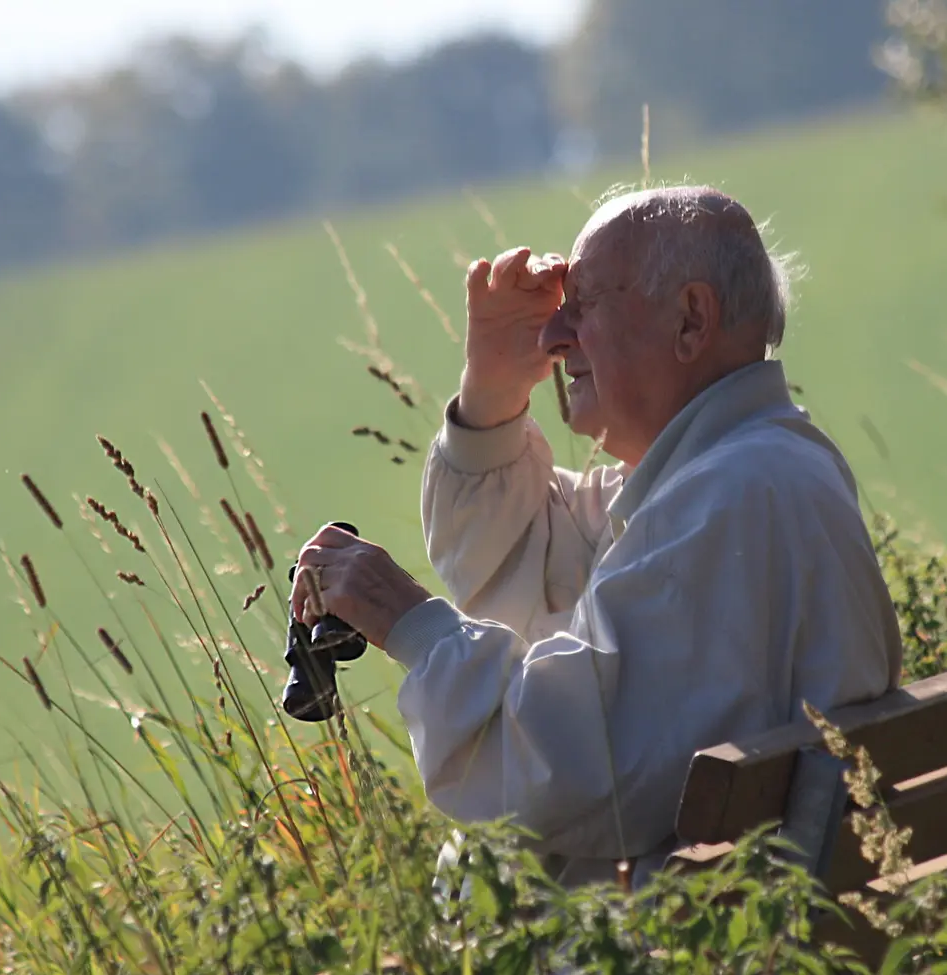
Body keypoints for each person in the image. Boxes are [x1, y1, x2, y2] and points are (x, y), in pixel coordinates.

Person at [290, 185, 902, 886]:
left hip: (670, 968)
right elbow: (530, 568)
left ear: (690, 320)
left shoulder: (728, 498)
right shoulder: (749, 471)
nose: (555, 337)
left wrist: (412, 624)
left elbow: (562, 775)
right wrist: (492, 387)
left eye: (585, 307)